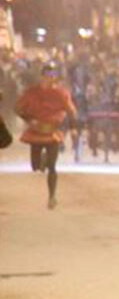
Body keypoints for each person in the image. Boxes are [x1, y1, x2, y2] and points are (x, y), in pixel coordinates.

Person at [15, 62, 77, 209]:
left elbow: (71, 112)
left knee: (53, 167)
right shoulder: (31, 92)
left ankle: (52, 196)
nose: (48, 79)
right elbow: (17, 108)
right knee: (36, 166)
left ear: (54, 78)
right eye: (45, 76)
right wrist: (29, 120)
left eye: (51, 77)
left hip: (53, 132)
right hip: (36, 133)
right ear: (41, 76)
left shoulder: (61, 94)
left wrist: (73, 128)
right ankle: (43, 162)